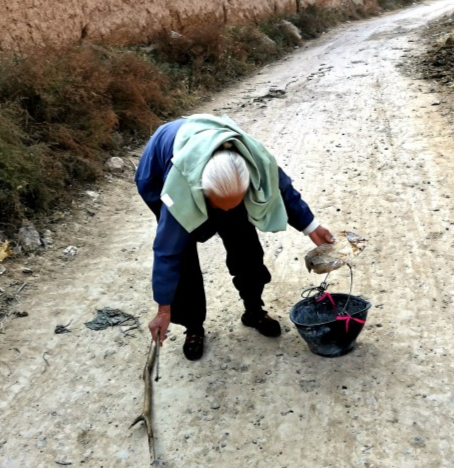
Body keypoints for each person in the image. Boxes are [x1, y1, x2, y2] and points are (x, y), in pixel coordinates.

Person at [135, 114, 334, 360]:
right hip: (160, 174)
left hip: (218, 175)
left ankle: (254, 310)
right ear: (202, 193)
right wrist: (163, 309)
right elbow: (167, 252)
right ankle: (193, 326)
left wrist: (312, 227)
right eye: (219, 207)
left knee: (247, 247)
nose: (226, 212)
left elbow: (283, 191)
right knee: (182, 254)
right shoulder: (182, 188)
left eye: (235, 203)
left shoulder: (257, 163)